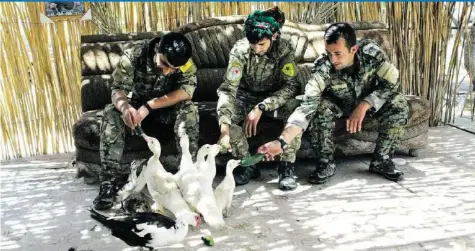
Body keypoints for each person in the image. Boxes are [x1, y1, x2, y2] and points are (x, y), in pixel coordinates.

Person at [258, 22, 408, 184]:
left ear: (354, 50)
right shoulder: (323, 67)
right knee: (320, 108)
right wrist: (281, 142)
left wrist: (365, 104)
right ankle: (326, 163)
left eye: (338, 53)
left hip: (368, 102)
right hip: (337, 104)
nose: (333, 59)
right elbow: (306, 107)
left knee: (398, 103)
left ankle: (381, 160)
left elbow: (392, 82)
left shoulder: (372, 54)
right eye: (329, 53)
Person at [94, 32, 199, 210]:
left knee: (190, 110)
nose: (167, 71)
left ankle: (188, 176)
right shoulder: (134, 55)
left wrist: (150, 106)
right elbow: (117, 89)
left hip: (165, 109)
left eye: (173, 69)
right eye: (164, 64)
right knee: (111, 114)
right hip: (134, 109)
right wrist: (126, 108)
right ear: (157, 49)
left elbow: (186, 92)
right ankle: (108, 183)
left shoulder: (184, 62)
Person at [217, 6, 302, 190]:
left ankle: (286, 167)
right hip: (244, 96)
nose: (256, 49)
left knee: (296, 109)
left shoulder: (284, 50)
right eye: (252, 43)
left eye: (261, 44)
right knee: (226, 117)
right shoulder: (240, 50)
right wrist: (224, 127)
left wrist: (262, 106)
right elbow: (228, 89)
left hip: (274, 98)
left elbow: (291, 86)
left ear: (274, 37)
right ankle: (248, 164)